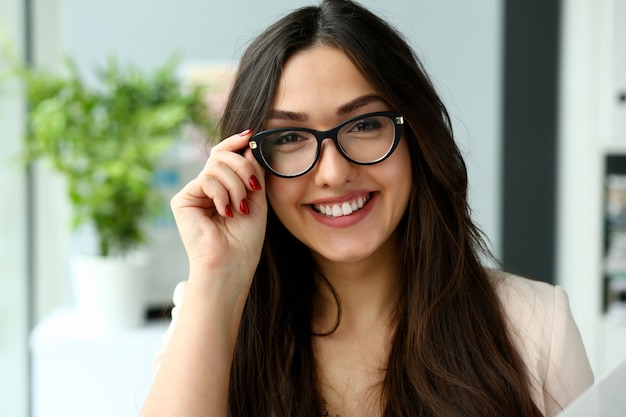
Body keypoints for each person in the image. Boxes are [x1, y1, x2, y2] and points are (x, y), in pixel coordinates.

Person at [139, 1, 594, 416]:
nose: (334, 173)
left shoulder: (536, 324)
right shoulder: (210, 315)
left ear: (416, 136)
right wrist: (218, 272)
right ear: (249, 162)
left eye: (364, 124)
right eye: (290, 138)